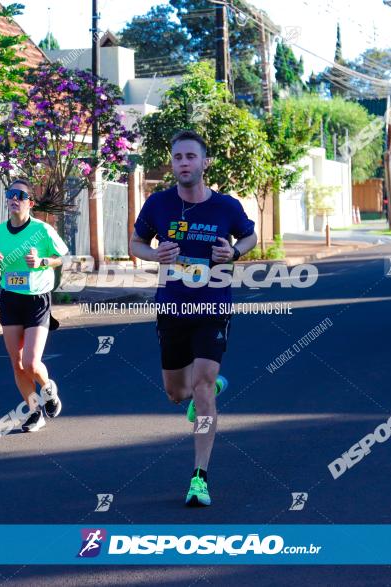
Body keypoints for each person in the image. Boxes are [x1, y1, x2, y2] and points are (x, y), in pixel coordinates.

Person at [129, 130, 257, 507]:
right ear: (172, 163)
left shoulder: (226, 207)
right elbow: (135, 243)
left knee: (202, 388)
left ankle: (199, 476)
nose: (183, 163)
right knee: (176, 394)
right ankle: (207, 389)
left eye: (190, 156)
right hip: (172, 307)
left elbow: (249, 237)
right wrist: (156, 256)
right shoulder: (157, 204)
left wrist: (233, 252)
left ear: (204, 162)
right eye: (177, 157)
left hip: (213, 306)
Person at [0, 178, 68, 432]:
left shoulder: (42, 230)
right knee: (17, 362)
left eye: (20, 195)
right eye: (11, 194)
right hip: (10, 298)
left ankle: (49, 390)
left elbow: (61, 257)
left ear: (30, 203)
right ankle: (34, 412)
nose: (14, 199)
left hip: (37, 299)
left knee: (32, 362)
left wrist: (42, 261)